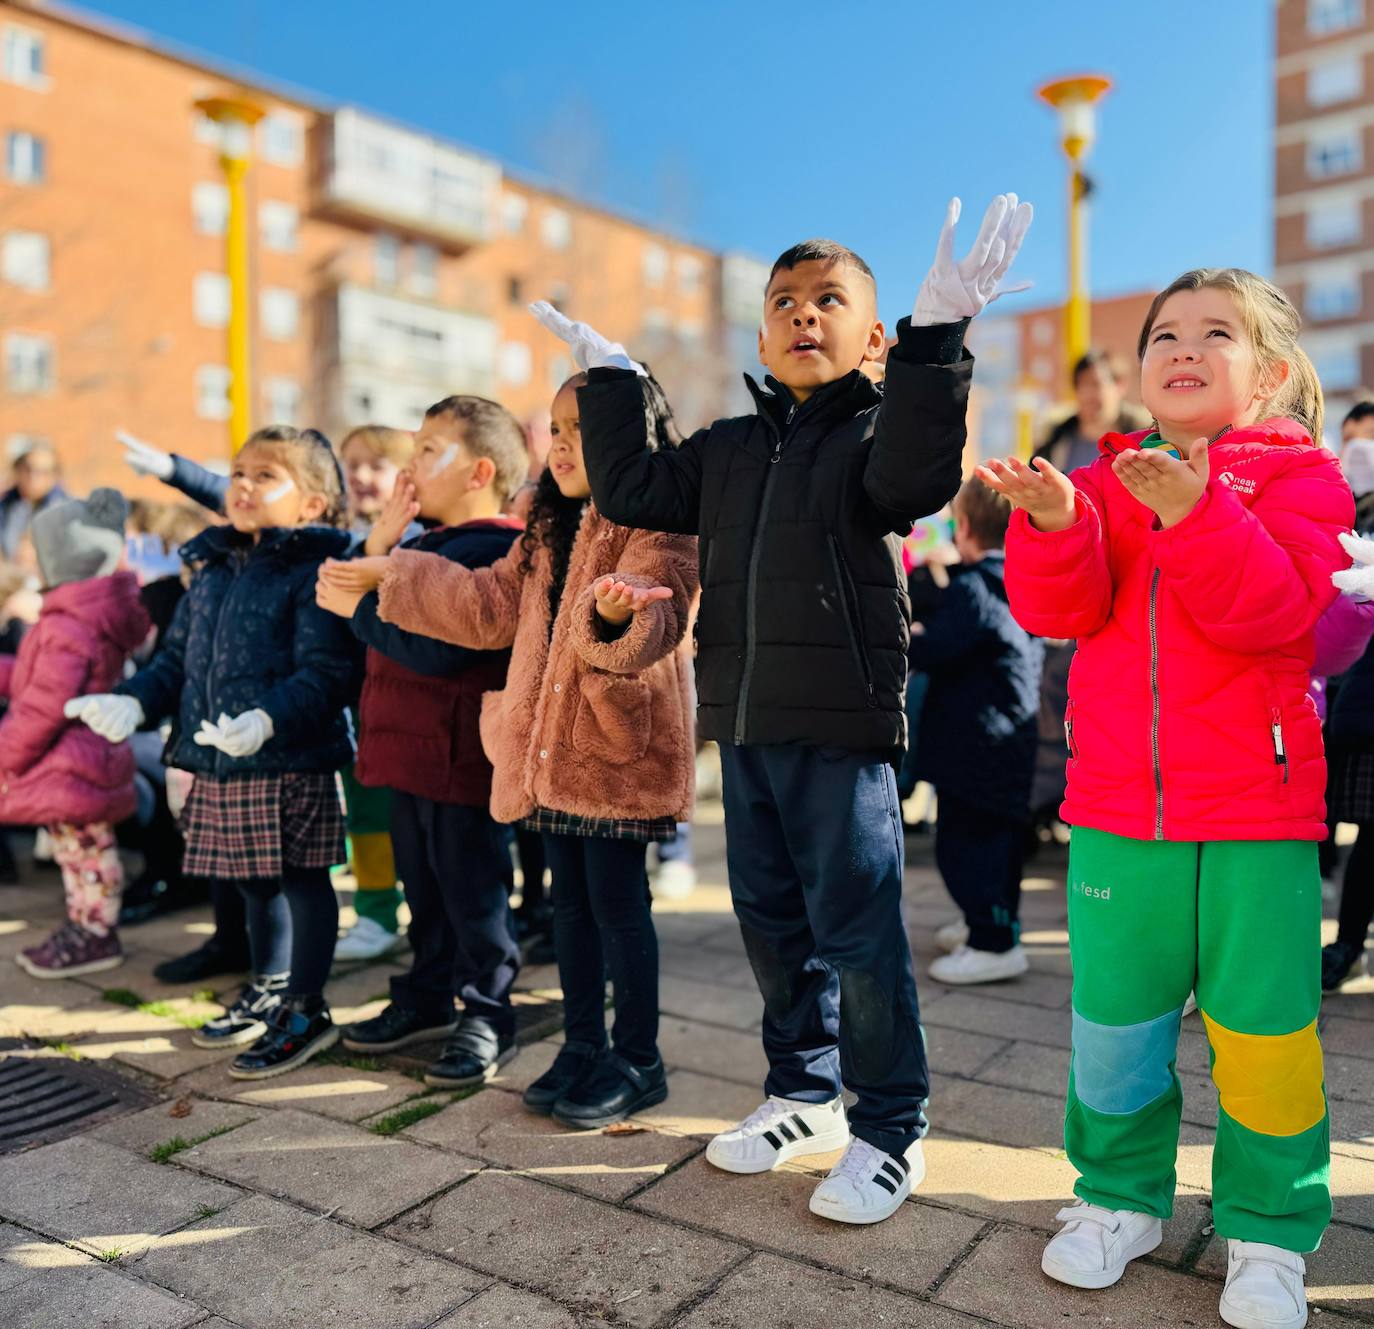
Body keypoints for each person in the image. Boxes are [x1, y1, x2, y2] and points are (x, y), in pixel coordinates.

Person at [544, 193, 1033, 1225]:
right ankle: (801, 1091)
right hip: (749, 727)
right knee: (769, 923)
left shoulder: (871, 435)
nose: (803, 316)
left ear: (869, 336)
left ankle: (892, 1127)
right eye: (784, 303)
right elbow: (630, 487)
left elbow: (915, 475)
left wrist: (936, 341)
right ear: (761, 333)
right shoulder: (723, 448)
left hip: (845, 735)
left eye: (829, 301)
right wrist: (616, 379)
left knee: (859, 937)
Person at [980, 268, 1347, 1329]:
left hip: (1256, 813)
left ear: (1270, 371)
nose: (1182, 347)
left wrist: (1196, 514)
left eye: (1215, 332)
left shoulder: (1302, 480)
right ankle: (1117, 1199)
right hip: (1115, 814)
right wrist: (1053, 523)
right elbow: (1062, 610)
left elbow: (1275, 616)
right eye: (1165, 333)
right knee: (1116, 1028)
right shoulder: (1104, 480)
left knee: (1267, 1034)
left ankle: (1269, 1231)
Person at [318, 370, 698, 1129]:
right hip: (549, 756)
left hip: (617, 755)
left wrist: (620, 619)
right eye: (553, 430)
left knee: (619, 911)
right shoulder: (548, 532)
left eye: (581, 430)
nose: (560, 446)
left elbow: (664, 621)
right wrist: (395, 571)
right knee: (569, 911)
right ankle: (583, 1042)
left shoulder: (660, 524)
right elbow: (486, 606)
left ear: (633, 435)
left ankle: (638, 1056)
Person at [69, 426, 361, 1079]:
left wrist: (267, 718)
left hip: (289, 756)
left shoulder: (317, 566)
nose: (243, 486)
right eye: (238, 473)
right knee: (253, 882)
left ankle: (306, 1007)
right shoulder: (213, 566)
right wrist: (136, 700)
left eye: (266, 476)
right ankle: (268, 983)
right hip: (221, 757)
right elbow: (175, 659)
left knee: (300, 880)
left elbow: (327, 672)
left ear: (312, 505)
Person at [120, 424, 414, 961]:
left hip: (372, 697)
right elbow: (239, 496)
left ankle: (376, 912)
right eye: (354, 464)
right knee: (329, 831)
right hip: (318, 705)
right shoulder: (292, 531)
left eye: (378, 465)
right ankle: (286, 941)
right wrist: (174, 469)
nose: (363, 476)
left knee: (371, 821)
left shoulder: (389, 534)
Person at [319, 396, 530, 1088]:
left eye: (428, 450)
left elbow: (435, 649)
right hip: (407, 754)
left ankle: (488, 1009)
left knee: (473, 893)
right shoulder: (421, 547)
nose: (412, 466)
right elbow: (361, 597)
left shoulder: (492, 548)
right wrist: (381, 544)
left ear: (479, 472)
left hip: (458, 756)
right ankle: (427, 994)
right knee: (425, 889)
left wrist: (360, 608)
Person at [4, 490, 150, 976]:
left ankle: (95, 934)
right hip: (82, 756)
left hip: (71, 760)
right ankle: (85, 923)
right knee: (77, 850)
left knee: (86, 852)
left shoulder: (69, 625)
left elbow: (45, 706)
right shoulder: (81, 615)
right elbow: (39, 678)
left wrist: (6, 755)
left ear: (57, 559)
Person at [910, 478, 1043, 985]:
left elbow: (931, 648)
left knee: (964, 847)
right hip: (1009, 741)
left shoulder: (973, 589)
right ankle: (991, 924)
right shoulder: (1018, 580)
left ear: (963, 529)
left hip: (974, 748)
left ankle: (993, 941)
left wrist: (915, 632)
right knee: (1001, 846)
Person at [1033, 350, 1151, 476]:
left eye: (1096, 384)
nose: (1088, 394)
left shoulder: (1147, 439)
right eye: (1082, 384)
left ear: (1120, 386)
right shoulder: (1055, 439)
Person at [0, 442, 66, 560]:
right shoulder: (5, 506)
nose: (33, 478)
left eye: (43, 472)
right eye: (28, 469)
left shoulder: (67, 512)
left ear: (54, 476)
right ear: (17, 470)